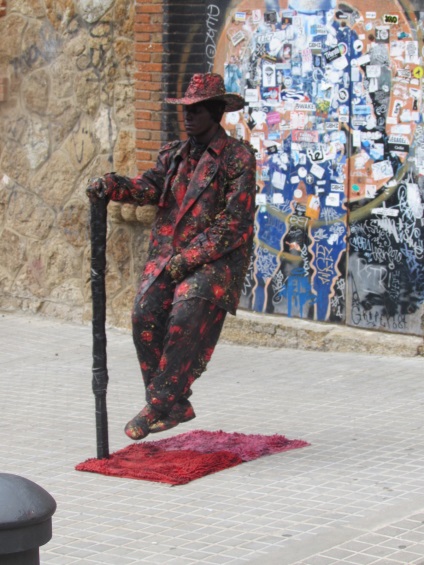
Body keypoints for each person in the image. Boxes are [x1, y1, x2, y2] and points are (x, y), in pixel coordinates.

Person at [87, 73, 257, 441]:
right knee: (143, 314)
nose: (189, 116)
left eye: (197, 109)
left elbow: (235, 223)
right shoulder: (173, 155)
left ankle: (157, 404)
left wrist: (190, 258)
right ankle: (174, 403)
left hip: (215, 260)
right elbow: (148, 188)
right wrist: (113, 185)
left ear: (216, 112)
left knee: (185, 312)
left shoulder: (237, 158)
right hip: (168, 255)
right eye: (186, 109)